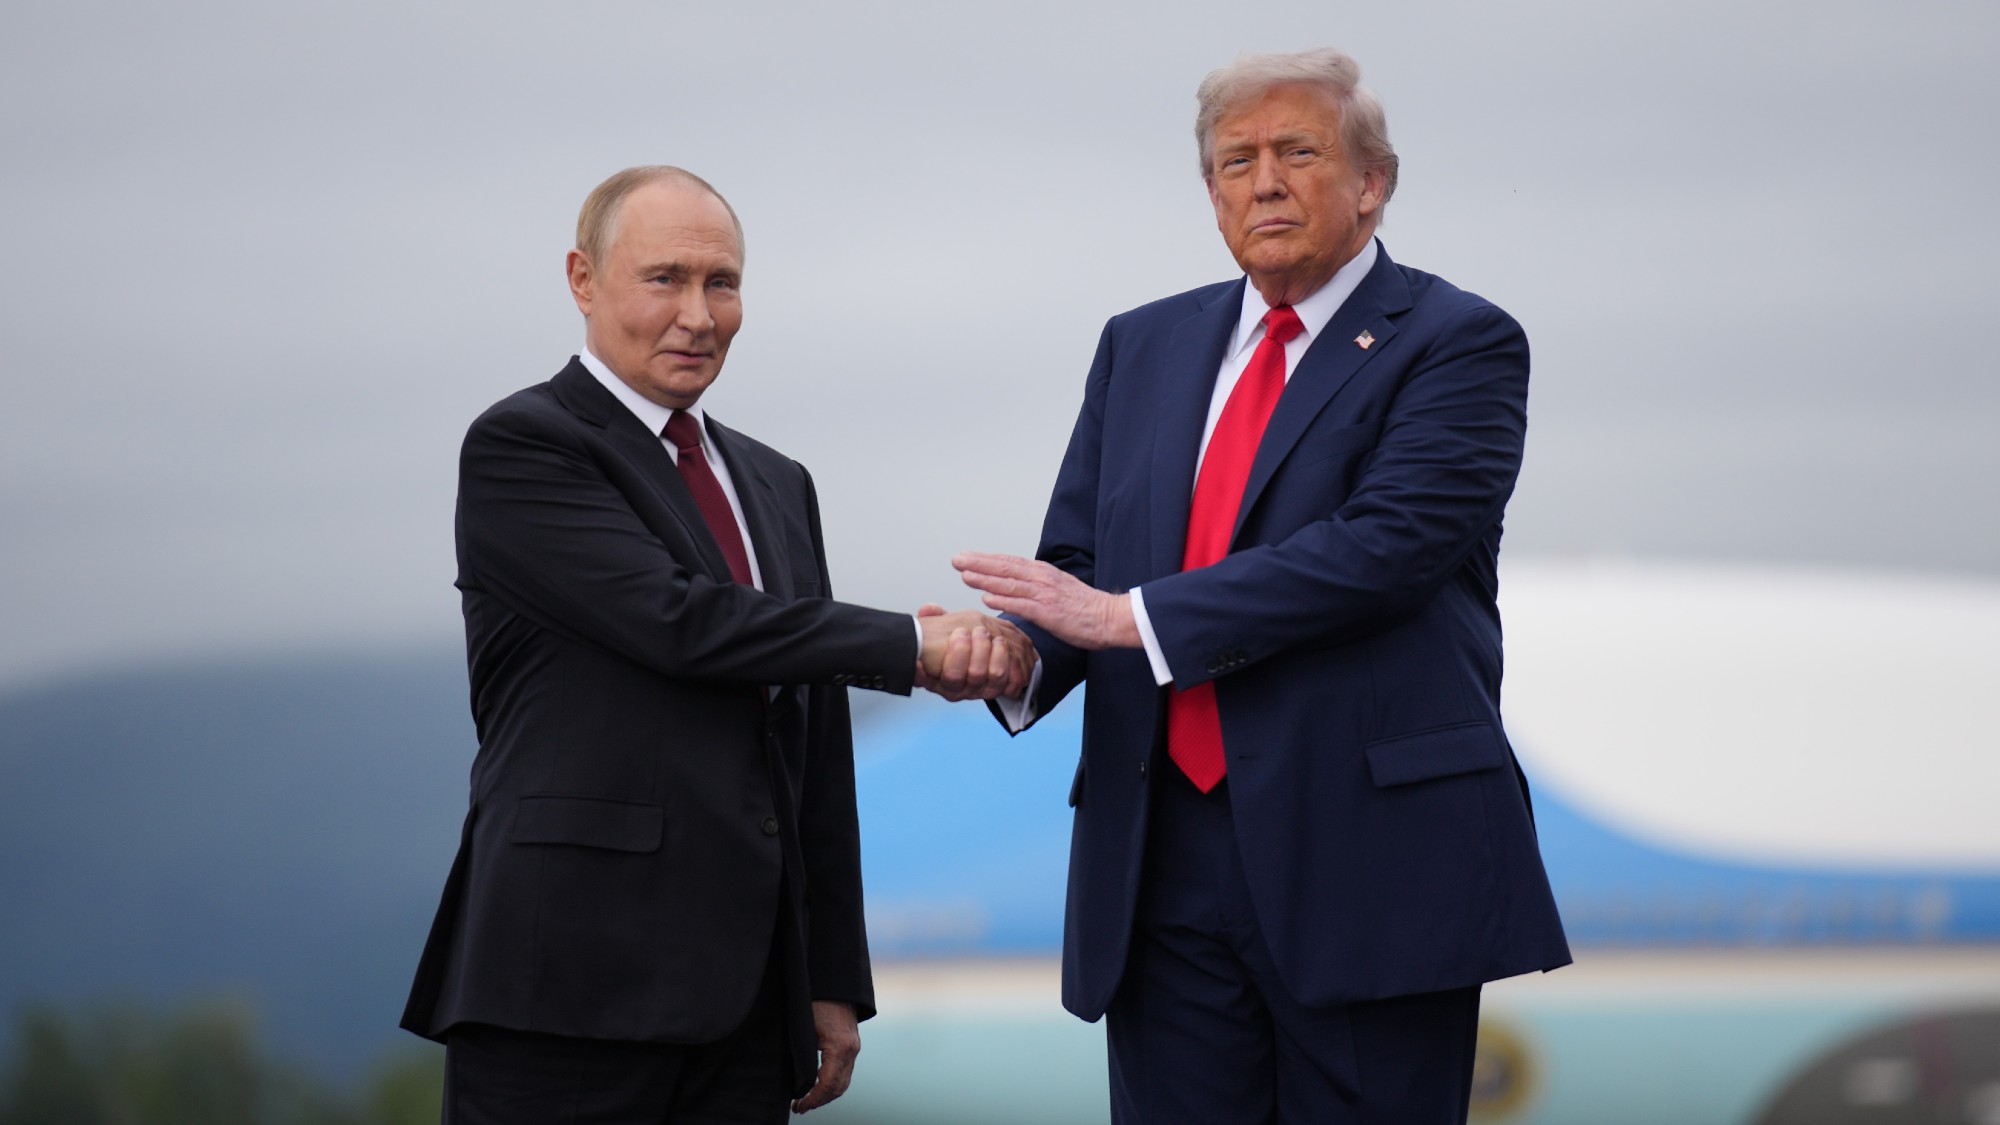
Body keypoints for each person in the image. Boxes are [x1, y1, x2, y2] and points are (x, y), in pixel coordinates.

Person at [953, 49, 1572, 1123]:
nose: (1264, 182)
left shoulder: (1456, 341)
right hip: (1156, 857)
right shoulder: (1139, 345)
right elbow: (1083, 565)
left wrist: (1125, 619)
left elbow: (1384, 550)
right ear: (1208, 193)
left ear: (1372, 180)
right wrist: (1012, 650)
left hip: (1366, 858)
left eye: (1297, 152)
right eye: (1234, 161)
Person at [399, 165, 1029, 1123]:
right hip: (565, 987)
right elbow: (681, 622)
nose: (698, 313)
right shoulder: (523, 445)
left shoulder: (777, 481)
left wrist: (827, 976)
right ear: (582, 279)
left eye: (722, 283)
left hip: (741, 1005)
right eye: (666, 279)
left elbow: (811, 739)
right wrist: (914, 645)